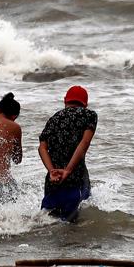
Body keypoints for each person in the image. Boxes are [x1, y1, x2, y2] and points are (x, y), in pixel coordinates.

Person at [38, 85, 97, 221]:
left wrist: (52, 170)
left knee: (49, 223)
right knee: (75, 225)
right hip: (75, 179)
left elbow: (42, 148)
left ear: (65, 100)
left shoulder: (54, 119)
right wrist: (68, 170)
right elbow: (84, 144)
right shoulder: (89, 115)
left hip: (53, 181)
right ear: (85, 104)